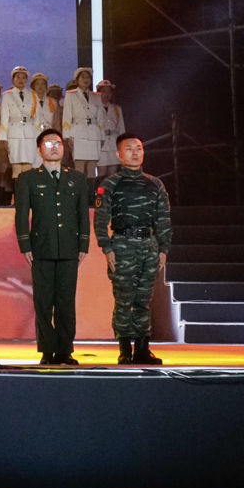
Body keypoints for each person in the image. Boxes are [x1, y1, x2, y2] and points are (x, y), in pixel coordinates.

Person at [15, 129, 92, 365]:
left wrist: (83, 244)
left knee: (66, 302)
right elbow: (21, 216)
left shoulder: (77, 178)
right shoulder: (28, 178)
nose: (54, 147)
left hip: (69, 248)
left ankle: (65, 350)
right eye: (48, 144)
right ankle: (48, 351)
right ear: (39, 150)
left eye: (58, 143)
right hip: (41, 247)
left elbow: (82, 214)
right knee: (44, 302)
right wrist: (25, 244)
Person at [96, 133, 172, 365]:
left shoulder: (155, 184)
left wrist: (163, 248)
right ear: (119, 155)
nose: (135, 153)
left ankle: (142, 348)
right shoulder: (110, 184)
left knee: (143, 300)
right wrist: (107, 247)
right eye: (129, 149)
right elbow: (100, 219)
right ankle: (124, 349)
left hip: (150, 245)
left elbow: (163, 218)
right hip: (123, 245)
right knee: (123, 300)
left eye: (138, 148)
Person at [0, 66, 47, 184]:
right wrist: (4, 138)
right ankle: (17, 194)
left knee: (27, 167)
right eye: (18, 77)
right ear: (13, 79)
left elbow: (37, 118)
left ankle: (25, 194)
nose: (21, 80)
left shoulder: (33, 95)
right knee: (16, 167)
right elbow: (4, 118)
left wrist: (38, 137)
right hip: (14, 134)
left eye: (23, 78)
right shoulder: (7, 96)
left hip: (30, 134)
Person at [62, 67, 103, 176]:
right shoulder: (71, 95)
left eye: (88, 77)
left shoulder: (96, 97)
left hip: (94, 133)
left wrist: (102, 135)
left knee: (92, 167)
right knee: (79, 166)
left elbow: (100, 118)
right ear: (77, 80)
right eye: (83, 77)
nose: (86, 80)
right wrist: (67, 136)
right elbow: (67, 116)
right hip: (78, 133)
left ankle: (91, 187)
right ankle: (79, 187)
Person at [95, 80, 125, 183]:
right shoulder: (95, 108)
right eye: (103, 91)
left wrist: (122, 146)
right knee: (101, 173)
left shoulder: (117, 109)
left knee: (113, 173)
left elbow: (121, 128)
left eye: (109, 92)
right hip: (101, 142)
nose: (106, 94)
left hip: (113, 142)